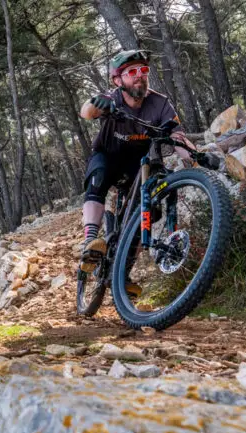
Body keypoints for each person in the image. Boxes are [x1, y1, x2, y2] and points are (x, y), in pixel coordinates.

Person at [78, 49, 197, 288]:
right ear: (117, 80)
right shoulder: (112, 98)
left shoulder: (160, 103)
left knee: (146, 212)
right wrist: (97, 105)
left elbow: (177, 137)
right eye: (132, 72)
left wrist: (196, 159)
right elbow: (87, 112)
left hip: (140, 164)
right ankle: (90, 244)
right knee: (98, 177)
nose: (139, 75)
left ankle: (121, 277)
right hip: (108, 156)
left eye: (143, 70)